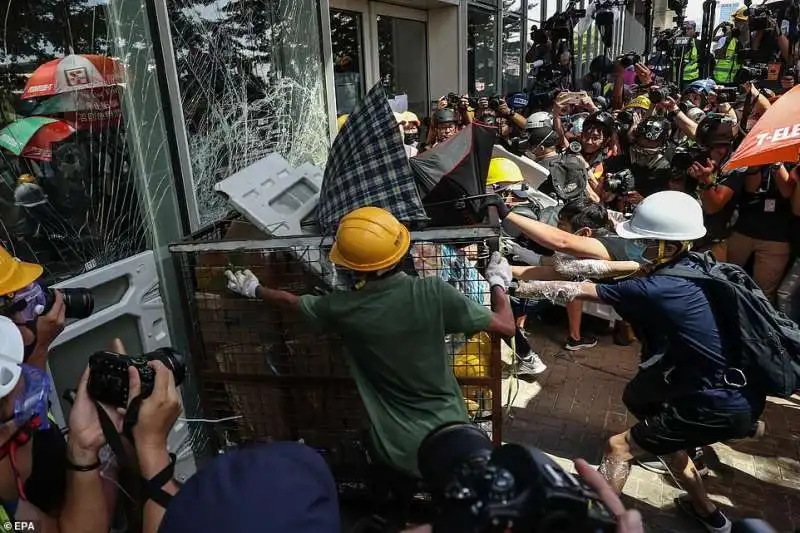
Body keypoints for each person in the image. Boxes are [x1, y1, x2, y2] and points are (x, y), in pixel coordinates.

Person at [511, 191, 766, 533]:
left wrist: (508, 280)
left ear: (669, 246)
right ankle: (709, 514)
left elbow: (568, 289)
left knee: (618, 449)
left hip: (712, 400)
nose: (635, 246)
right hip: (730, 387)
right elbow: (606, 267)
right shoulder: (694, 264)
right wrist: (533, 266)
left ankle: (595, 525)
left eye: (643, 241)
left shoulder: (654, 287)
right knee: (650, 418)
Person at [224, 206, 516, 481]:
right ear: (400, 252)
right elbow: (506, 326)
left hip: (393, 450)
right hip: (450, 436)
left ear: (353, 268)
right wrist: (498, 282)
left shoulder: (343, 308)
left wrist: (255, 289)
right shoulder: (434, 293)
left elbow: (294, 302)